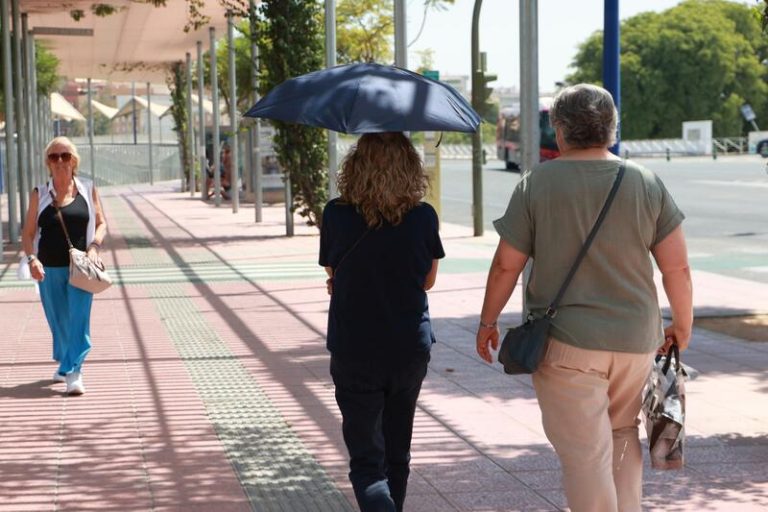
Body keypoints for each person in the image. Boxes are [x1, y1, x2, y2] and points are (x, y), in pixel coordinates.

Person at [476, 84, 693, 512]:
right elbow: (677, 268)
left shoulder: (536, 183)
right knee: (622, 434)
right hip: (636, 341)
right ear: (611, 128)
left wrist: (488, 322)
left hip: (567, 344)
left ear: (559, 129)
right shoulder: (646, 182)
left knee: (586, 456)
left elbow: (505, 265)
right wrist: (681, 326)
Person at [319, 132, 444, 512]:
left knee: (366, 461)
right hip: (408, 347)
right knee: (397, 455)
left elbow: (333, 271)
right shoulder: (423, 216)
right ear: (410, 168)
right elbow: (427, 281)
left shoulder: (336, 214)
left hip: (354, 347)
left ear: (356, 167)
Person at [21, 136, 108, 396]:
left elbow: (101, 223)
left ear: (74, 161)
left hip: (81, 267)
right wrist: (32, 259)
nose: (60, 161)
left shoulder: (88, 189)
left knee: (78, 319)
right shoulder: (39, 193)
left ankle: (74, 372)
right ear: (48, 162)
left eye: (65, 155)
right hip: (49, 268)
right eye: (54, 156)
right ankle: (65, 362)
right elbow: (28, 233)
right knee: (59, 322)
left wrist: (94, 247)